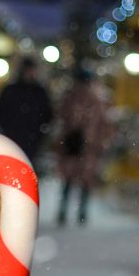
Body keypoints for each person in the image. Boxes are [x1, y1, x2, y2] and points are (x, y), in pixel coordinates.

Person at [55, 68, 114, 225]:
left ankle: (64, 211)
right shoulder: (98, 99)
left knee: (68, 179)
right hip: (88, 145)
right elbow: (104, 123)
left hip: (72, 144)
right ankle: (81, 213)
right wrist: (101, 141)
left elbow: (62, 118)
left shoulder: (70, 96)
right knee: (85, 179)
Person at [0, 56, 54, 166]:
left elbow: (47, 113)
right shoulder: (12, 90)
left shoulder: (38, 92)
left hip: (30, 137)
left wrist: (39, 132)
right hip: (16, 135)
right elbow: (0, 111)